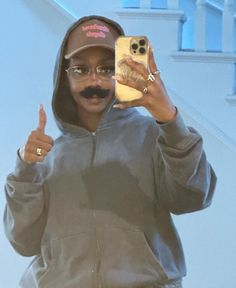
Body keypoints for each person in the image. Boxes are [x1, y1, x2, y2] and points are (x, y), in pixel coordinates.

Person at [3, 15, 216, 288]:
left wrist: (171, 121)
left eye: (106, 69)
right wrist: (24, 168)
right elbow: (23, 240)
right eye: (81, 70)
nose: (95, 82)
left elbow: (193, 197)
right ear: (64, 76)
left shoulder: (155, 136)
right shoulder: (46, 156)